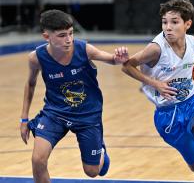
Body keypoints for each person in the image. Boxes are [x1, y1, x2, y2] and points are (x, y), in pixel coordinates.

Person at [122, 0, 194, 183]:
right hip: (168, 115)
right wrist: (153, 83)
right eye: (165, 22)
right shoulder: (155, 49)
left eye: (174, 22)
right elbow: (126, 66)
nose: (168, 27)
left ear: (187, 24)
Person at [20, 9, 129, 183]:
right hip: (55, 113)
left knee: (92, 172)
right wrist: (24, 119)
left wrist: (118, 58)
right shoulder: (36, 58)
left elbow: (110, 59)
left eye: (71, 33)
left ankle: (100, 151)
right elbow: (30, 84)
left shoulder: (84, 49)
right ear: (46, 37)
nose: (69, 39)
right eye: (62, 35)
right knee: (37, 160)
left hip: (87, 114)